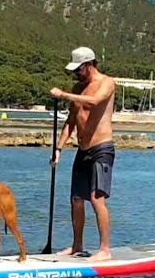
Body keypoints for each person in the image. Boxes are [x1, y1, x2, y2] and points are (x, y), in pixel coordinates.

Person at [50, 47, 117, 261]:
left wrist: (64, 94)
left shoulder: (107, 83)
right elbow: (70, 122)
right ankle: (77, 245)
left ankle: (104, 249)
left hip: (102, 149)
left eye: (78, 70)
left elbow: (95, 101)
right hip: (83, 150)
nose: (76, 75)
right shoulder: (78, 87)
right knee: (76, 199)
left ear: (88, 65)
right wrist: (58, 149)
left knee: (96, 198)